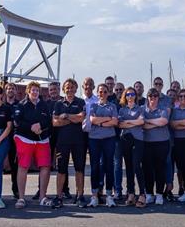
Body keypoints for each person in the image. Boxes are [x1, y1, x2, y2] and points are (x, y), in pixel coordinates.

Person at [12, 81, 53, 209]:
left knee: (45, 166)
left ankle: (42, 197)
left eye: (37, 90)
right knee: (23, 166)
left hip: (42, 139)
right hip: (25, 139)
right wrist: (31, 127)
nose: (35, 92)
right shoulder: (21, 105)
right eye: (32, 90)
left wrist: (40, 126)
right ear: (28, 91)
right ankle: (21, 198)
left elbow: (48, 121)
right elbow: (17, 122)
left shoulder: (44, 105)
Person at [52, 78, 87, 208]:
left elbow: (81, 118)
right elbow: (55, 122)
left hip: (78, 141)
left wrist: (66, 116)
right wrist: (73, 118)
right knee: (61, 170)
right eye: (67, 87)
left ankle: (80, 196)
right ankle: (59, 196)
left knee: (79, 168)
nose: (70, 89)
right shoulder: (58, 104)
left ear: (76, 89)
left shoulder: (81, 102)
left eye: (72, 87)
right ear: (63, 89)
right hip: (63, 141)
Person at [88, 83, 119, 207]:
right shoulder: (93, 106)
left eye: (105, 92)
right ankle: (94, 195)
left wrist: (100, 122)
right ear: (97, 93)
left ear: (108, 93)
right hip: (94, 139)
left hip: (109, 139)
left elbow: (115, 121)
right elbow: (92, 120)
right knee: (95, 167)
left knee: (109, 166)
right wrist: (106, 120)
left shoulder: (112, 106)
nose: (102, 94)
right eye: (100, 92)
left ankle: (109, 195)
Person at [118, 86, 146, 207]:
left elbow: (141, 122)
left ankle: (142, 194)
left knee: (136, 165)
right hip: (125, 139)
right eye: (128, 94)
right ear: (125, 96)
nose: (130, 97)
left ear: (135, 96)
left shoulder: (140, 109)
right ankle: (131, 192)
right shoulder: (121, 110)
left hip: (138, 140)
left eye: (132, 94)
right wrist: (133, 122)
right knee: (128, 167)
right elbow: (120, 125)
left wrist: (128, 122)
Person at [142, 87, 170, 205]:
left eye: (155, 96)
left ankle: (159, 194)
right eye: (150, 96)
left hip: (162, 142)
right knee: (147, 169)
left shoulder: (163, 109)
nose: (153, 98)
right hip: (147, 142)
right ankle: (149, 193)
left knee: (160, 169)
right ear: (147, 97)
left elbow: (163, 122)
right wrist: (156, 122)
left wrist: (149, 121)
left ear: (158, 98)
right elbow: (142, 124)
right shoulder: (142, 109)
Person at [3, 82, 20, 199]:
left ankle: (16, 189)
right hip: (2, 138)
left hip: (15, 139)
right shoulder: (1, 105)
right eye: (8, 88)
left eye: (12, 88)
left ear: (15, 91)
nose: (10, 90)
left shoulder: (20, 105)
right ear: (5, 91)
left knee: (15, 166)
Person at [112, 81, 125, 200]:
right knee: (117, 165)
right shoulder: (112, 104)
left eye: (121, 90)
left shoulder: (128, 103)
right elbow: (114, 121)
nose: (119, 92)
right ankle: (117, 190)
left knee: (134, 166)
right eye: (117, 90)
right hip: (116, 138)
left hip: (129, 138)